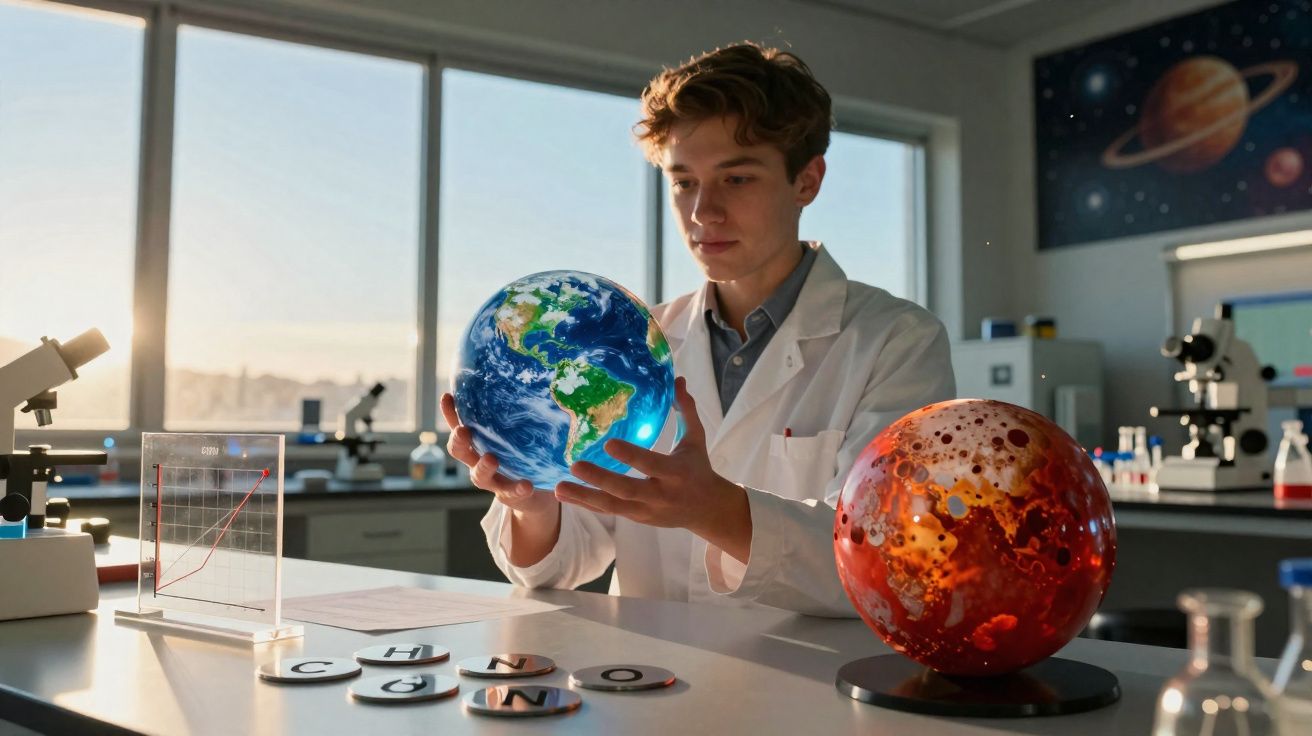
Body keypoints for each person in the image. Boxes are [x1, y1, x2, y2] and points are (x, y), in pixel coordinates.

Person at [440, 42, 954, 617]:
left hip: (802, 693)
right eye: (683, 181)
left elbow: (890, 565)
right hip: (644, 689)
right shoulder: (638, 343)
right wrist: (532, 502)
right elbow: (564, 566)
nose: (703, 212)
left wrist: (717, 512)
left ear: (807, 181)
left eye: (736, 179)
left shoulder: (898, 341)